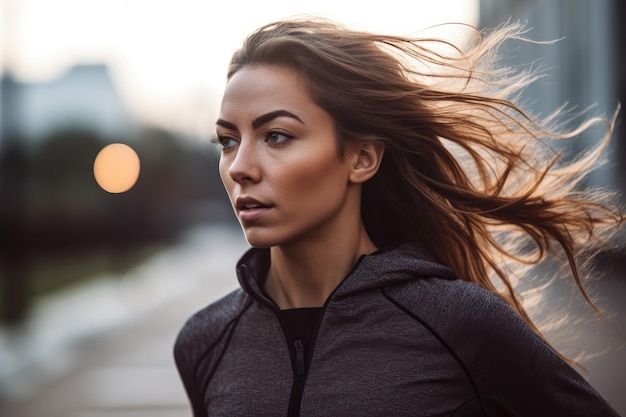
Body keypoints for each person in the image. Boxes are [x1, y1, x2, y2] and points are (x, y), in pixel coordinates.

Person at [174, 17, 624, 416]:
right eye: (228, 140)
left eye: (276, 135)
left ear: (362, 157)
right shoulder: (205, 341)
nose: (239, 168)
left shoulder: (462, 323)